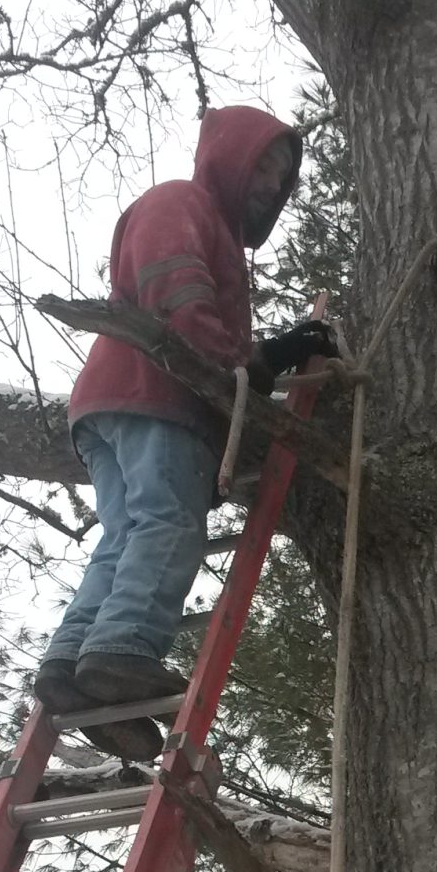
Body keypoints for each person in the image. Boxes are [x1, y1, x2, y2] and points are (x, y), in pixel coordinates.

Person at [35, 104, 335, 758]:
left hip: (118, 400)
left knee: (129, 534)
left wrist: (262, 358)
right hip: (154, 394)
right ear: (230, 157)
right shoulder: (181, 203)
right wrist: (240, 365)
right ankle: (121, 651)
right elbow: (178, 294)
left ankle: (71, 669)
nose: (270, 186)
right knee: (167, 525)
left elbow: (214, 339)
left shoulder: (213, 230)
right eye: (263, 166)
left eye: (281, 177)